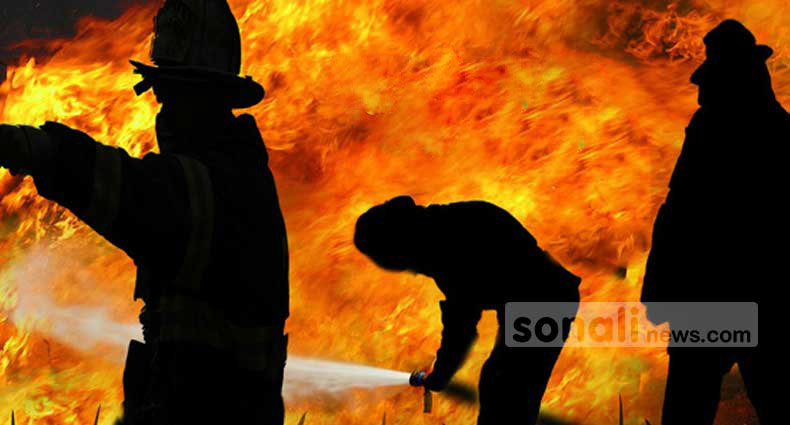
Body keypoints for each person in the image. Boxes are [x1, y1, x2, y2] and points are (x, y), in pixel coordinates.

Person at [0, 1, 289, 424]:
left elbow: (133, 191)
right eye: (160, 89)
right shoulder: (235, 173)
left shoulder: (219, 186)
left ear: (210, 98)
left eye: (173, 92)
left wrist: (40, 150)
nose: (162, 107)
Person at [641, 19, 781, 424]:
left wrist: (658, 289)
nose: (703, 90)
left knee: (688, 404)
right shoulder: (780, 129)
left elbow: (680, 213)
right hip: (762, 294)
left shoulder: (711, 128)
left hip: (712, 295)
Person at [354, 196, 580, 425]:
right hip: (538, 300)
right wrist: (442, 370)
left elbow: (461, 323)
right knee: (501, 384)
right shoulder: (446, 227)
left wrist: (442, 372)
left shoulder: (447, 245)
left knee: (508, 390)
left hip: (544, 302)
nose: (410, 271)